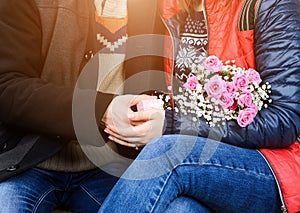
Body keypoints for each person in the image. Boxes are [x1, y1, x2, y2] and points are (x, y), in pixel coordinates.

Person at [98, 0, 300, 212]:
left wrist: (172, 125)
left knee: (167, 152)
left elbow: (285, 120)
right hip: (203, 165)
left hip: (271, 166)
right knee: (179, 209)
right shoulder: (171, 8)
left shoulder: (271, 6)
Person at [0, 0, 165, 212]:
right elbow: (7, 86)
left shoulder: (154, 7)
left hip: (111, 167)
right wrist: (102, 110)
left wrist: (155, 121)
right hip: (29, 161)